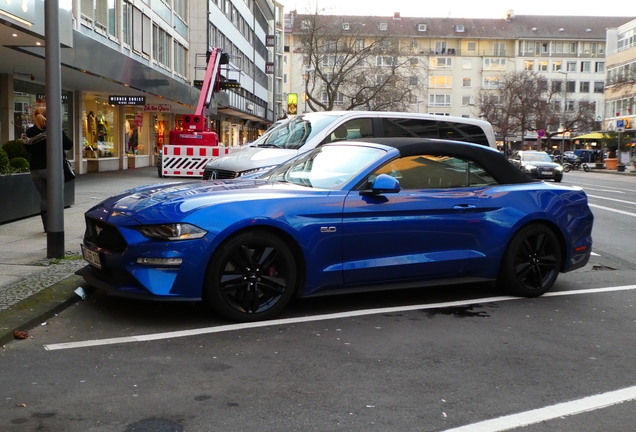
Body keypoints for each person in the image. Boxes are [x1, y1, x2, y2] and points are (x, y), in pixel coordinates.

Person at [24, 107, 73, 232]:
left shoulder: (30, 132)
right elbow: (69, 145)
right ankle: (56, 226)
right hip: (53, 168)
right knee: (57, 197)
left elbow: (28, 149)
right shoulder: (55, 129)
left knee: (44, 198)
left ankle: (47, 226)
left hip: (36, 169)